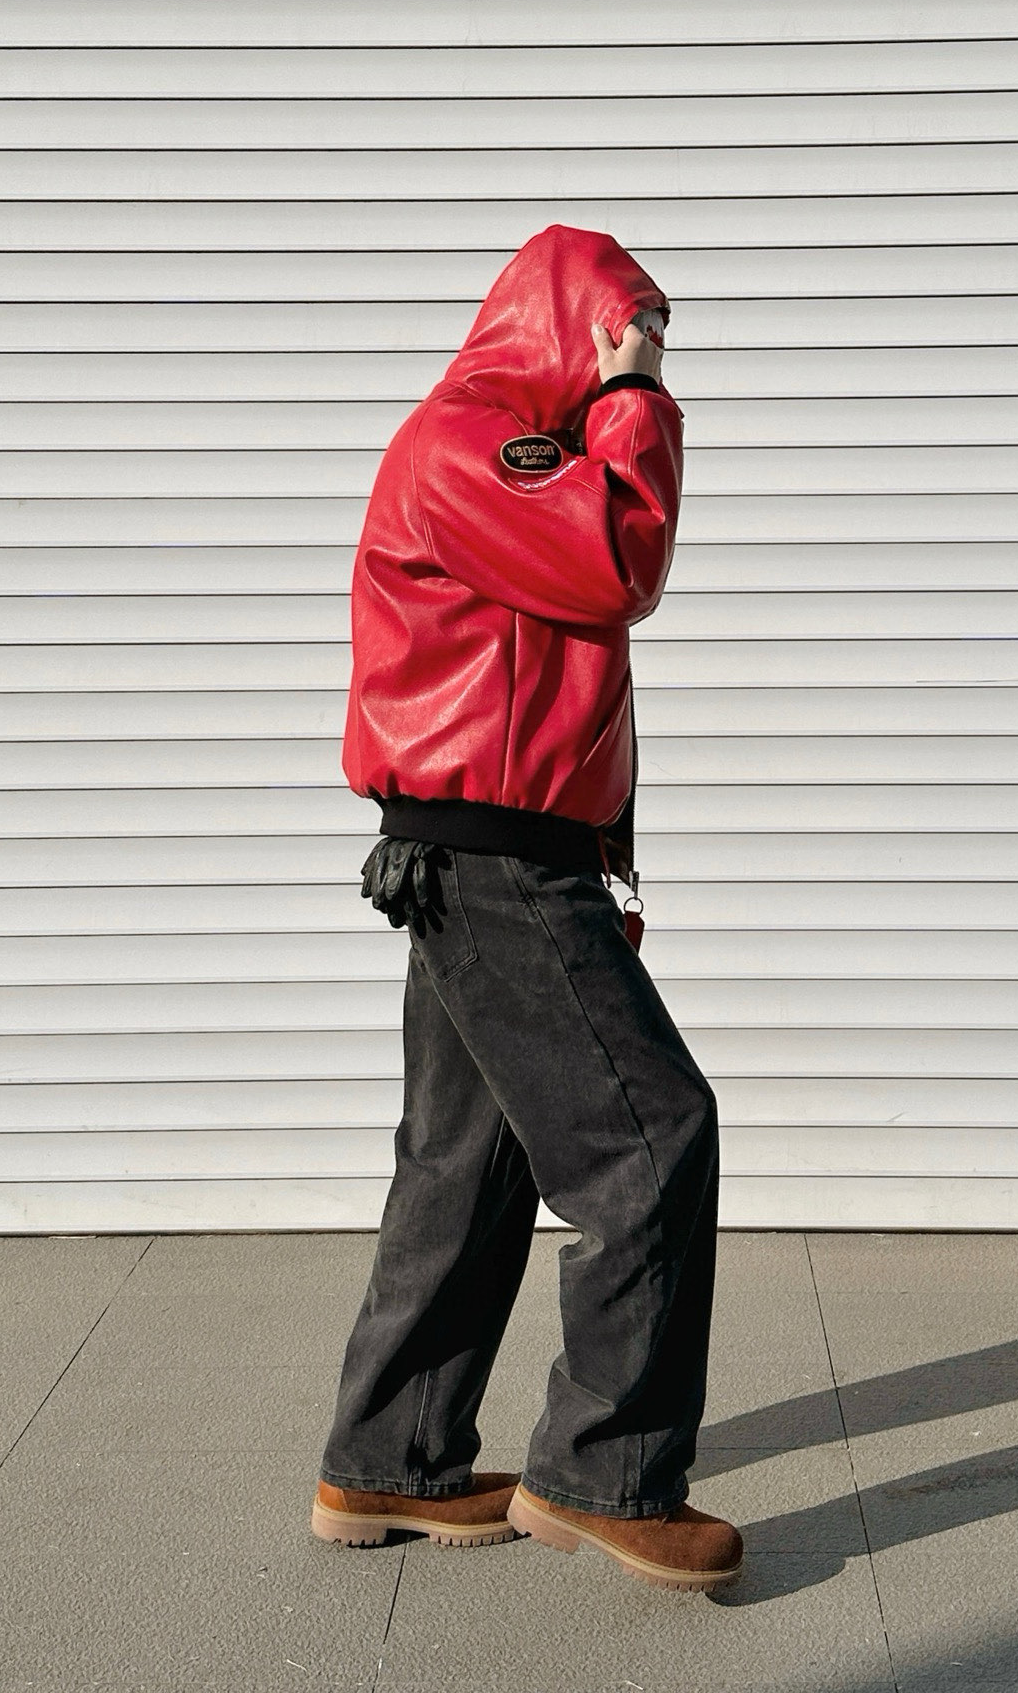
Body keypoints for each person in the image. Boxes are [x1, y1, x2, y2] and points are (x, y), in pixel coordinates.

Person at [312, 224, 742, 1594]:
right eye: (630, 325)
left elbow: (558, 654)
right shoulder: (478, 448)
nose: (647, 351)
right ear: (569, 326)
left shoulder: (513, 452)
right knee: (653, 1140)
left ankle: (388, 1459)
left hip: (486, 849)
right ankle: (608, 1474)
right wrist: (635, 395)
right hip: (495, 860)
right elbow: (621, 561)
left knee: (468, 1167)